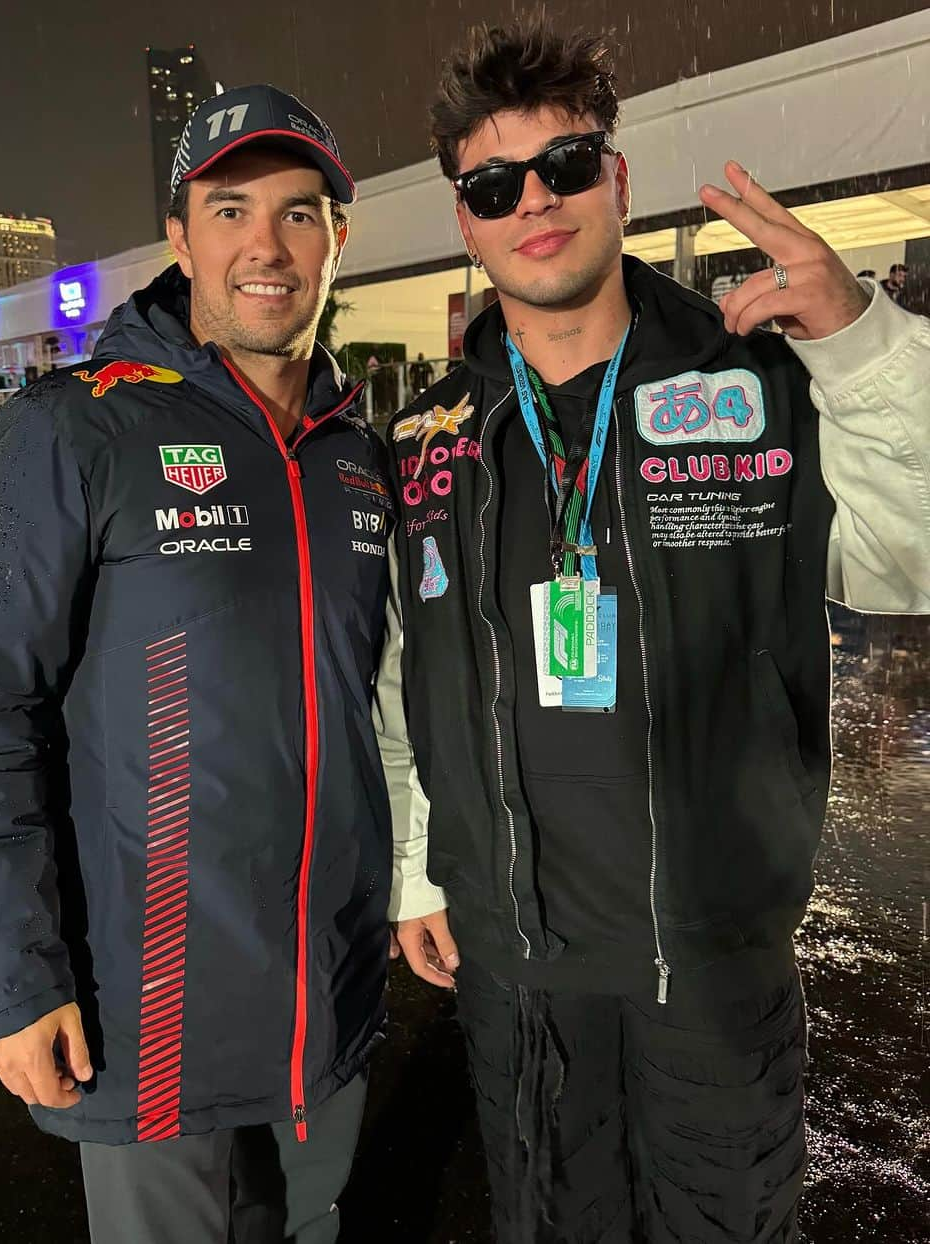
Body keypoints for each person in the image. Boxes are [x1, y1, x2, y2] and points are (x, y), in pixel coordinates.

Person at [384, 18, 930, 1243]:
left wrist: (864, 347)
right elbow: (405, 667)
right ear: (463, 217)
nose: (536, 200)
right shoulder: (429, 433)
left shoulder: (758, 378)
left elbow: (914, 559)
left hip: (715, 965)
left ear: (617, 180)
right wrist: (422, 858)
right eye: (493, 183)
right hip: (518, 970)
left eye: (567, 164)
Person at [0, 84, 411, 1244]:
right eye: (229, 210)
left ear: (340, 236)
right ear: (180, 237)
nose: (265, 247)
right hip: (152, 1009)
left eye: (298, 212)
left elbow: (379, 698)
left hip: (324, 1000)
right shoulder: (77, 426)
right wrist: (13, 981)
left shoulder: (357, 454)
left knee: (312, 1224)